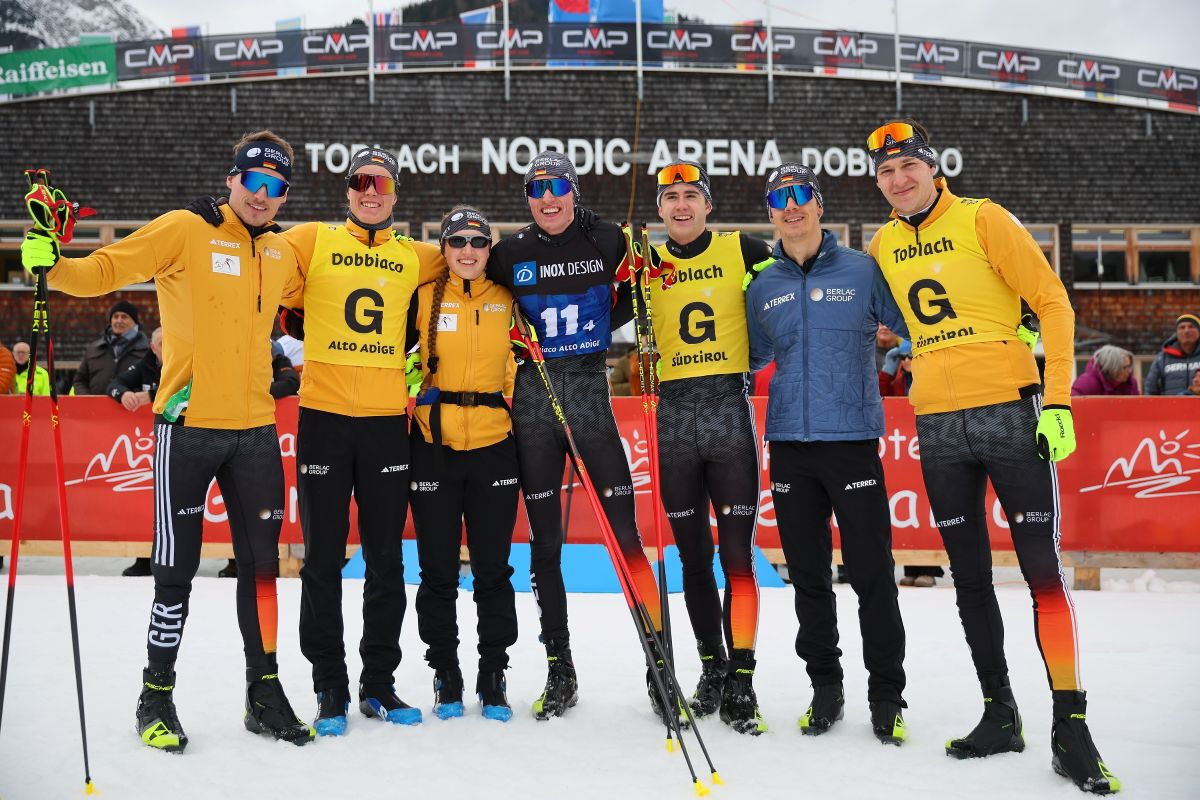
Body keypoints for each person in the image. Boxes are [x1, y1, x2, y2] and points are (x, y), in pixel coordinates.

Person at [20, 130, 314, 750]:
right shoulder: (186, 228)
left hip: (257, 432)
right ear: (232, 177)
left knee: (262, 569)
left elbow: (327, 296)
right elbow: (106, 268)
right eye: (254, 181)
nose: (263, 196)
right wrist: (50, 262)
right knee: (175, 569)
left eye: (276, 187)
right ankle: (155, 696)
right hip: (188, 428)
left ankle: (264, 691)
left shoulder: (283, 253)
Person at [865, 119, 1118, 793]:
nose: (898, 180)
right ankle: (999, 711)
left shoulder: (984, 218)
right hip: (938, 424)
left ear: (931, 166)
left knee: (1042, 571)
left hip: (1009, 410)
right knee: (968, 577)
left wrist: (1059, 400)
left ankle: (1072, 726)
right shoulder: (885, 242)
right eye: (886, 173)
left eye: (907, 166)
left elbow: (1052, 302)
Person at [486, 151, 664, 721]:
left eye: (557, 184)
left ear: (574, 190)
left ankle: (660, 666)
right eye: (536, 187)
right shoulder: (509, 253)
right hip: (534, 396)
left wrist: (628, 286)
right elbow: (474, 295)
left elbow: (637, 297)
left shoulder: (609, 239)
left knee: (625, 535)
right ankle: (559, 667)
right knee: (545, 545)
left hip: (589, 392)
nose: (547, 196)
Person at [273, 148, 444, 735]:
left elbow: (476, 257)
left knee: (386, 561)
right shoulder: (311, 239)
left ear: (397, 195)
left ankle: (379, 684)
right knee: (320, 559)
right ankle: (328, 684)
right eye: (360, 182)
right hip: (322, 418)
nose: (371, 192)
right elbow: (253, 242)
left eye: (382, 183)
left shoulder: (416, 255)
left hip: (382, 426)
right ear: (347, 191)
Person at [744, 163, 909, 745]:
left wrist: (906, 355)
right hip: (790, 446)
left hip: (852, 443)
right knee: (808, 578)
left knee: (871, 576)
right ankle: (825, 688)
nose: (791, 208)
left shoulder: (863, 271)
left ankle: (887, 695)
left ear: (818, 204)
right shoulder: (762, 286)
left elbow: (914, 325)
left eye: (800, 197)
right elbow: (751, 359)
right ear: (771, 212)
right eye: (779, 199)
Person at [646, 161, 771, 735]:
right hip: (672, 414)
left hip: (727, 408)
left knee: (737, 556)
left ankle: (742, 675)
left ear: (708, 205)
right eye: (669, 197)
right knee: (693, 557)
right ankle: (711, 665)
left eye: (691, 195)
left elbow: (790, 289)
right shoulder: (645, 260)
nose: (680, 205)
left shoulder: (742, 249)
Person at [408, 207, 520, 722]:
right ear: (444, 249)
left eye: (478, 241)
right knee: (437, 570)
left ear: (489, 248)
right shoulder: (423, 295)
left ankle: (493, 670)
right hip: (435, 444)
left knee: (493, 568)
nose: (468, 250)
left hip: (496, 444)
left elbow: (524, 363)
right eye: (457, 242)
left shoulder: (507, 296)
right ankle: (445, 669)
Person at [216, 339, 301, 580]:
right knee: (239, 505)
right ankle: (236, 561)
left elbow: (290, 383)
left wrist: (256, 393)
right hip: (235, 433)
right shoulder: (238, 356)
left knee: (261, 503)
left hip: (262, 435)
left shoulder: (278, 358)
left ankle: (264, 562)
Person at [106, 325, 164, 578]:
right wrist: (124, 394)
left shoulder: (186, 360)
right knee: (146, 499)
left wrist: (150, 395)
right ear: (153, 347)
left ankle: (229, 556)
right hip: (147, 444)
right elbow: (115, 384)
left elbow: (192, 388)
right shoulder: (145, 364)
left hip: (186, 438)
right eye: (162, 344)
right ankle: (144, 556)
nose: (168, 348)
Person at [71, 300, 149, 396]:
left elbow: (152, 383)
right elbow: (80, 380)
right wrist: (87, 399)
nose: (119, 321)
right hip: (96, 409)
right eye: (115, 316)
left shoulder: (147, 351)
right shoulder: (94, 348)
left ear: (135, 322)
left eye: (124, 317)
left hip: (132, 408)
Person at [1144, 313, 1200, 396]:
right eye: (1182, 327)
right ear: (1176, 332)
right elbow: (1150, 391)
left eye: (1191, 326)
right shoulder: (1163, 358)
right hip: (1171, 408)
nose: (1186, 330)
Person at [1071, 345, 1139, 396]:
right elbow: (1073, 407)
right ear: (1113, 368)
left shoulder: (1131, 383)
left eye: (1129, 366)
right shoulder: (1086, 384)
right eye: (1125, 367)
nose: (1129, 371)